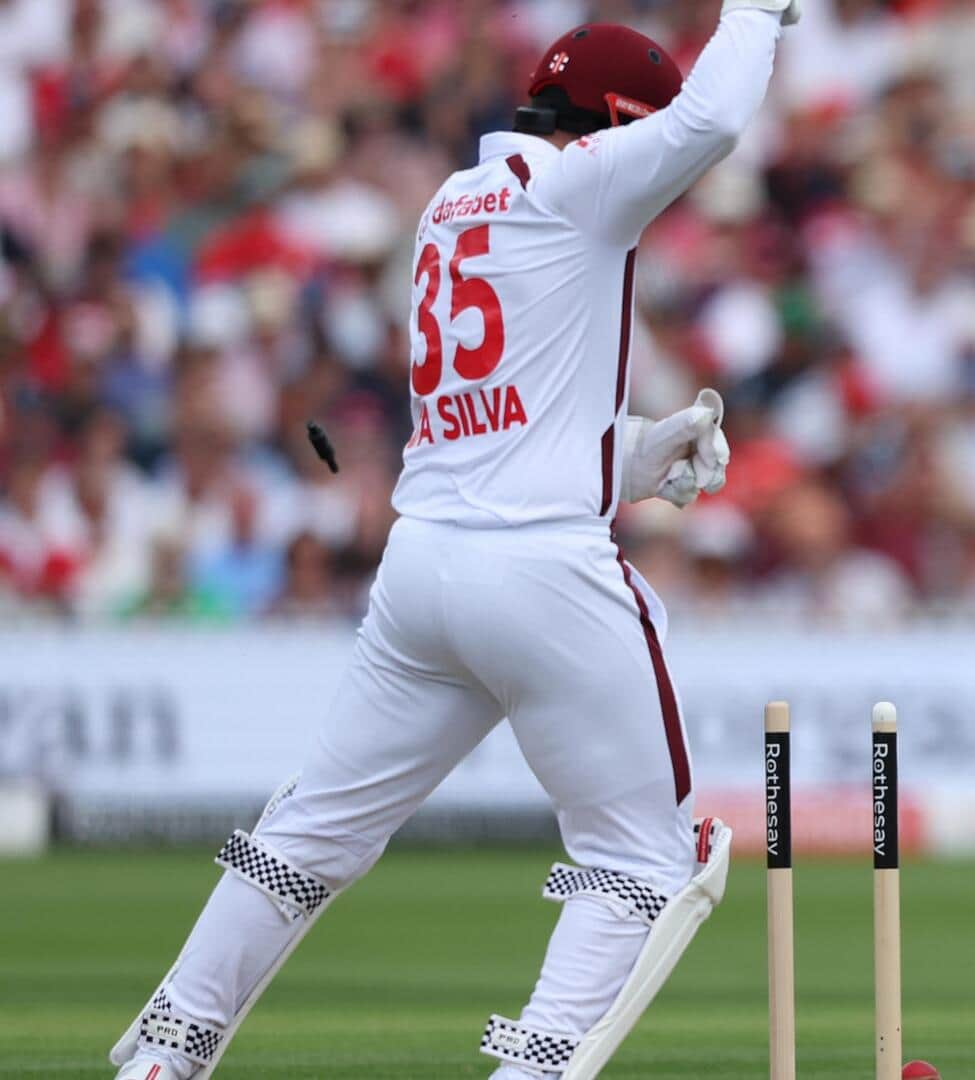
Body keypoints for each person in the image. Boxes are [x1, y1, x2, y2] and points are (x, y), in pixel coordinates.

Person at [110, 2, 800, 1077]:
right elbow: (709, 123)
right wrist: (757, 13)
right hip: (540, 575)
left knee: (302, 836)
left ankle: (162, 1055)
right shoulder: (577, 184)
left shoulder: (450, 203)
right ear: (612, 122)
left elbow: (495, 429)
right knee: (651, 861)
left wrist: (634, 454)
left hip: (423, 568)